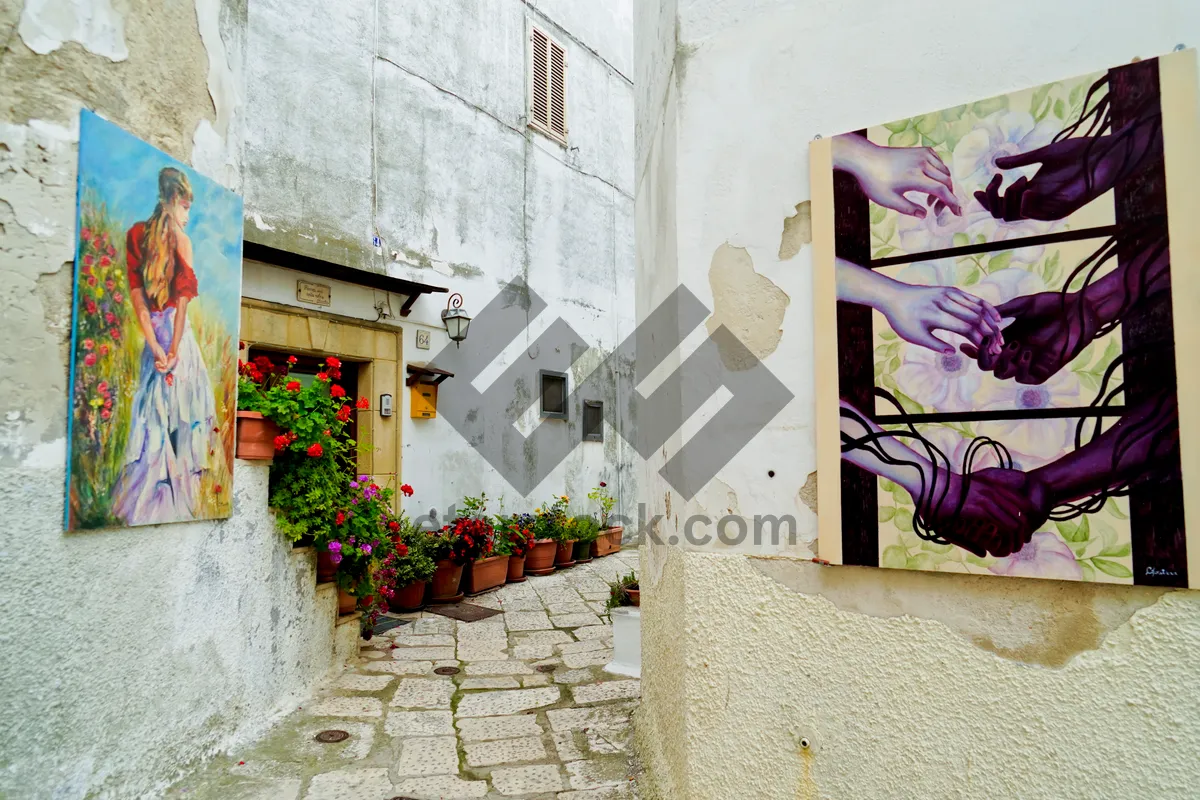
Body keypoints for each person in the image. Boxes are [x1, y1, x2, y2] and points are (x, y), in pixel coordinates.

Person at [113, 167, 217, 524]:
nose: (187, 217)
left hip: (154, 344)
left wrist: (156, 351)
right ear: (174, 201)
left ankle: (153, 499)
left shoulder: (135, 235)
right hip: (177, 344)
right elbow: (182, 308)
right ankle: (177, 501)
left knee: (154, 419)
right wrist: (173, 353)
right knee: (183, 420)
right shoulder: (180, 241)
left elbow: (139, 302)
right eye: (186, 207)